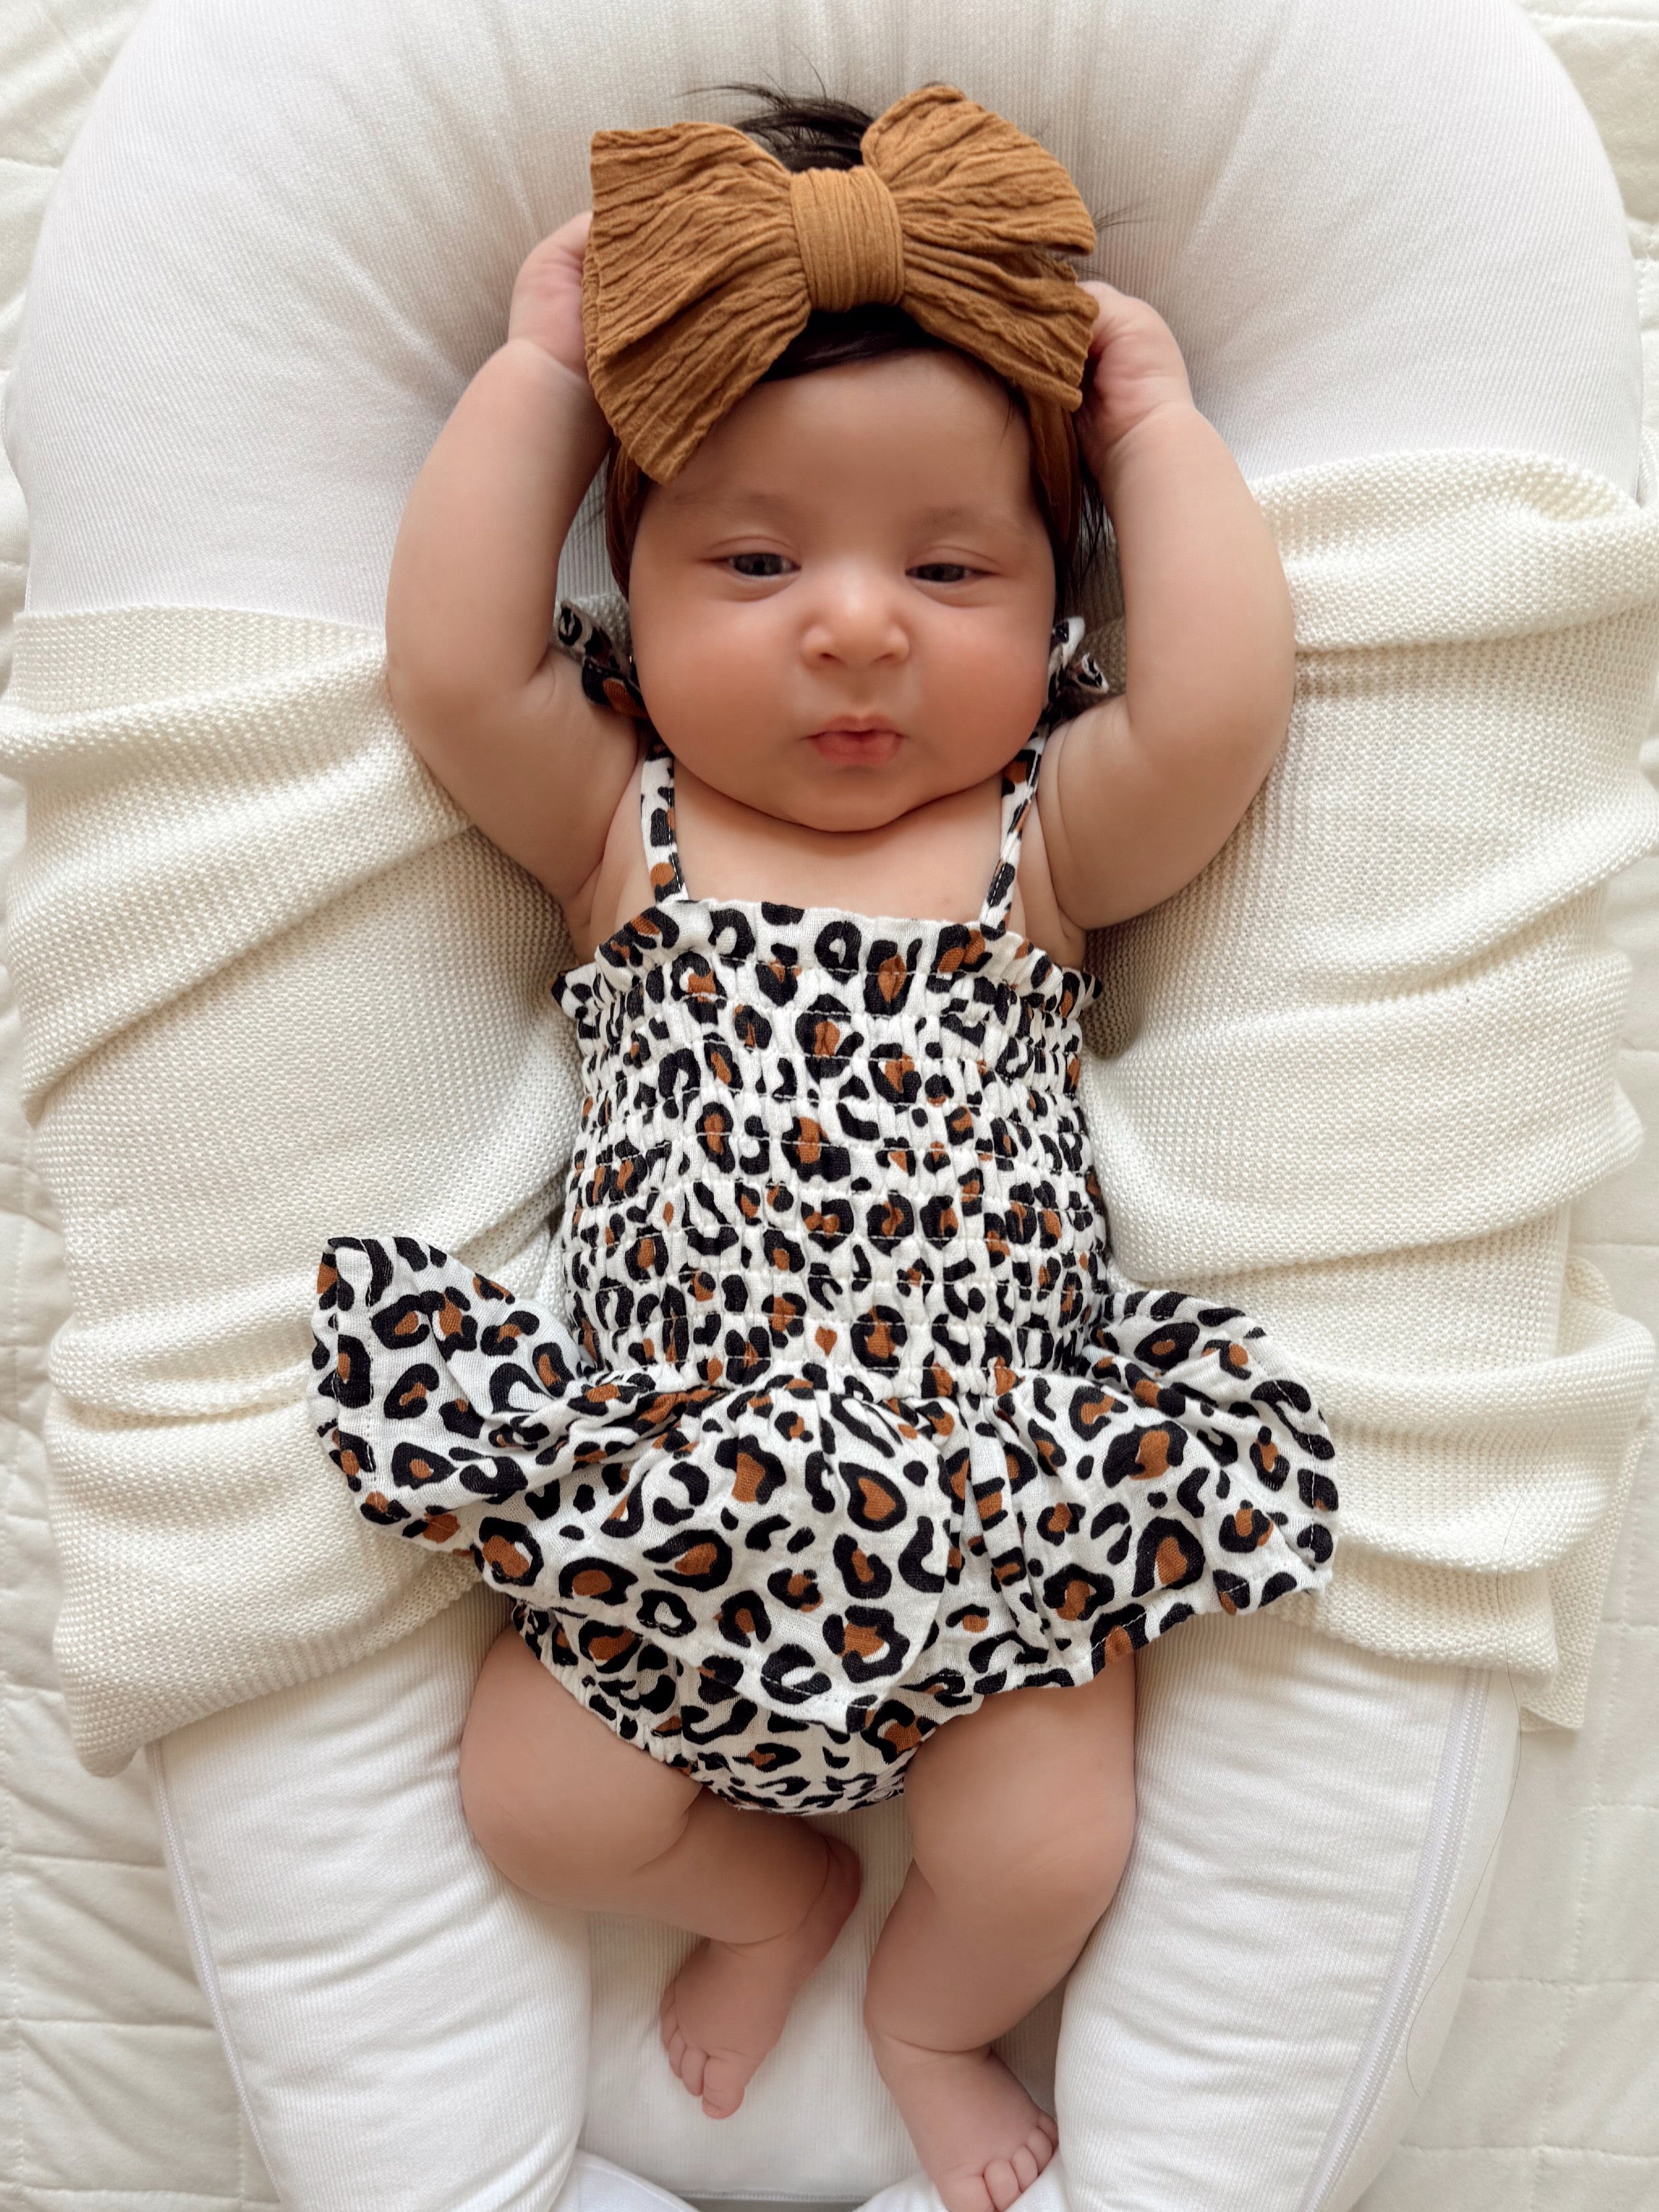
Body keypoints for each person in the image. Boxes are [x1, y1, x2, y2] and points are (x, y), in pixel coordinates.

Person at [310, 84, 1337, 2212]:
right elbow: (448, 660)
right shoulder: (625, 834)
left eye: (948, 568)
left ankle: (925, 2008)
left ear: (1058, 605)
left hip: (993, 1509)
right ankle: (762, 1896)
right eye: (754, 560)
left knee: (1045, 1846)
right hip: (667, 1513)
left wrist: (1144, 417)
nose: (853, 627)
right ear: (637, 575)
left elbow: (1221, 709)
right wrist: (531, 378)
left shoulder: (1037, 849)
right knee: (535, 1806)